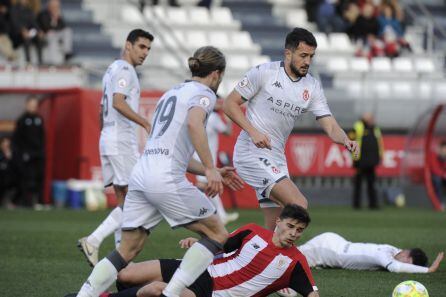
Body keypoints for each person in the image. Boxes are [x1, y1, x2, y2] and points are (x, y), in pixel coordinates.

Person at [74, 46, 244, 297]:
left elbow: (175, 153)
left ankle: (83, 295)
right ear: (217, 74)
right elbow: (194, 123)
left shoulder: (171, 93)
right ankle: (171, 294)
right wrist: (209, 168)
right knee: (218, 232)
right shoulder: (205, 94)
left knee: (127, 251)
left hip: (142, 175)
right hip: (164, 179)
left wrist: (214, 168)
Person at [223, 27, 359, 231]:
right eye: (303, 55)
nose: (307, 62)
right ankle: (230, 249)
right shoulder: (264, 73)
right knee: (298, 206)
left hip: (276, 158)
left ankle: (248, 257)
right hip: (250, 153)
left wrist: (345, 139)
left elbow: (329, 124)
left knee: (273, 230)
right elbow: (229, 104)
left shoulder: (312, 86)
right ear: (288, 53)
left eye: (311, 56)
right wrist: (253, 132)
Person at [66, 204, 319, 297]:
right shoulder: (253, 231)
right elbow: (222, 243)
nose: (294, 233)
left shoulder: (295, 262)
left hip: (212, 294)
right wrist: (198, 242)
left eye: (299, 230)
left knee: (156, 290)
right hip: (202, 269)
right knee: (125, 274)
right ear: (278, 222)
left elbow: (311, 293)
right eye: (290, 226)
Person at [77, 29, 154, 267]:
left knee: (125, 200)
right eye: (141, 47)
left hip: (109, 137)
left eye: (148, 49)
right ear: (127, 45)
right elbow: (118, 102)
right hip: (121, 140)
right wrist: (144, 122)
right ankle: (94, 239)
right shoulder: (125, 70)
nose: (145, 53)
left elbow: (102, 109)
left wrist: (105, 134)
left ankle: (121, 261)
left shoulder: (111, 69)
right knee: (138, 199)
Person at [299, 232, 444, 273]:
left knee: (297, 259)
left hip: (334, 247)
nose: (404, 261)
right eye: (407, 259)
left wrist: (424, 266)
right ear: (406, 253)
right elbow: (396, 268)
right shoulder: (385, 255)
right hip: (328, 248)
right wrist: (428, 270)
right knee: (288, 257)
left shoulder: (395, 252)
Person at [193, 98, 239, 225]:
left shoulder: (201, 116)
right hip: (207, 158)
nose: (220, 103)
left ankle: (218, 214)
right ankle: (193, 212)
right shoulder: (213, 117)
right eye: (218, 101)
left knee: (209, 185)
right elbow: (228, 132)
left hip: (197, 156)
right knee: (205, 186)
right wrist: (229, 120)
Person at [12, 96, 45, 208]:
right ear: (27, 105)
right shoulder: (22, 120)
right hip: (26, 155)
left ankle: (38, 201)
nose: (33, 107)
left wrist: (42, 151)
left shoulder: (39, 119)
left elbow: (42, 137)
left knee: (38, 177)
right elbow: (17, 140)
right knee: (26, 178)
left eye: (35, 105)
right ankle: (26, 202)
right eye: (31, 105)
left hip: (38, 154)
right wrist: (21, 154)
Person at [349, 112, 383, 210]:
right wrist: (354, 155)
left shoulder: (375, 128)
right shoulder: (358, 126)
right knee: (358, 183)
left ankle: (373, 204)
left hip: (371, 161)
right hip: (360, 161)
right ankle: (356, 204)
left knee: (371, 184)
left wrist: (379, 156)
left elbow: (379, 143)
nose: (373, 120)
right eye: (371, 118)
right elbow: (350, 140)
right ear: (366, 118)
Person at [9, 0, 44, 65]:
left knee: (38, 38)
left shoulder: (29, 10)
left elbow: (33, 22)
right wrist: (22, 30)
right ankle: (28, 61)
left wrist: (39, 30)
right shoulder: (14, 9)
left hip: (28, 32)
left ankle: (40, 61)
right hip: (17, 34)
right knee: (26, 38)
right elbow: (14, 22)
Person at [0, 136, 17, 209]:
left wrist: (9, 157)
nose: (6, 145)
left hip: (8, 177)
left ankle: (7, 201)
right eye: (4, 143)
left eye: (7, 144)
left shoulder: (12, 153)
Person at [430, 140, 446, 209]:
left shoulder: (444, 158)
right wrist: (443, 175)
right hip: (435, 176)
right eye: (444, 149)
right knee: (437, 180)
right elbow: (434, 169)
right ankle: (438, 203)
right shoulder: (433, 155)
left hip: (443, 176)